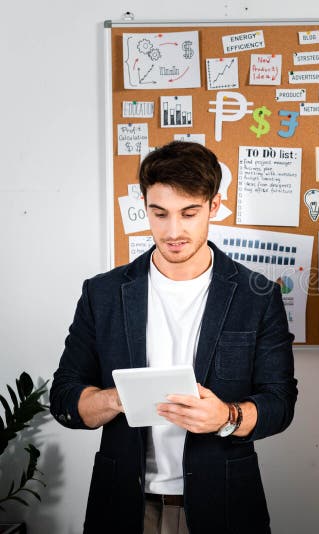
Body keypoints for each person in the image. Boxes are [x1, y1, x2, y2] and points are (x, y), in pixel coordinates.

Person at [50, 141, 297, 534]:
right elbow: (63, 396)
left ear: (214, 206)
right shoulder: (102, 294)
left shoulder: (258, 296)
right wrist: (117, 398)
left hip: (225, 504)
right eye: (159, 213)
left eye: (189, 213)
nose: (173, 231)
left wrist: (227, 416)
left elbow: (280, 404)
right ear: (144, 205)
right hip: (122, 505)